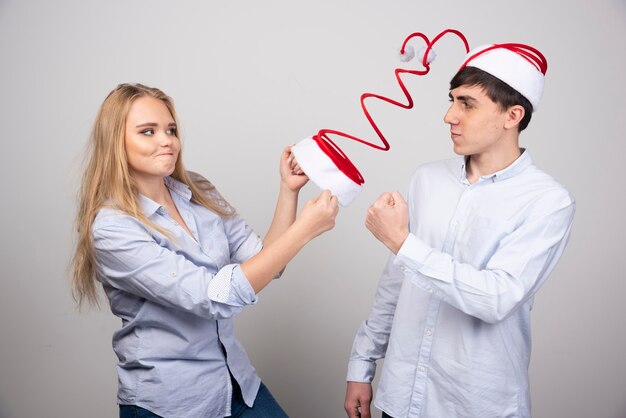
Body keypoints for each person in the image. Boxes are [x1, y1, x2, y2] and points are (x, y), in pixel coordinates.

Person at [71, 83, 339, 418]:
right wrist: (302, 231)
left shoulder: (198, 190)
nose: (166, 140)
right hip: (173, 402)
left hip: (234, 383)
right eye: (147, 132)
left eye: (170, 130)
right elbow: (215, 298)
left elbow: (266, 259)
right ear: (115, 142)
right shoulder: (113, 228)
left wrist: (288, 191)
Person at [344, 42, 576, 418]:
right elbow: (395, 282)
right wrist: (361, 365)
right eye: (452, 100)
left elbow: (496, 298)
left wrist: (403, 243)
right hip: (400, 399)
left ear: (512, 115)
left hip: (473, 405)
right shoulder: (426, 179)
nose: (449, 116)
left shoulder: (548, 201)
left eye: (467, 104)